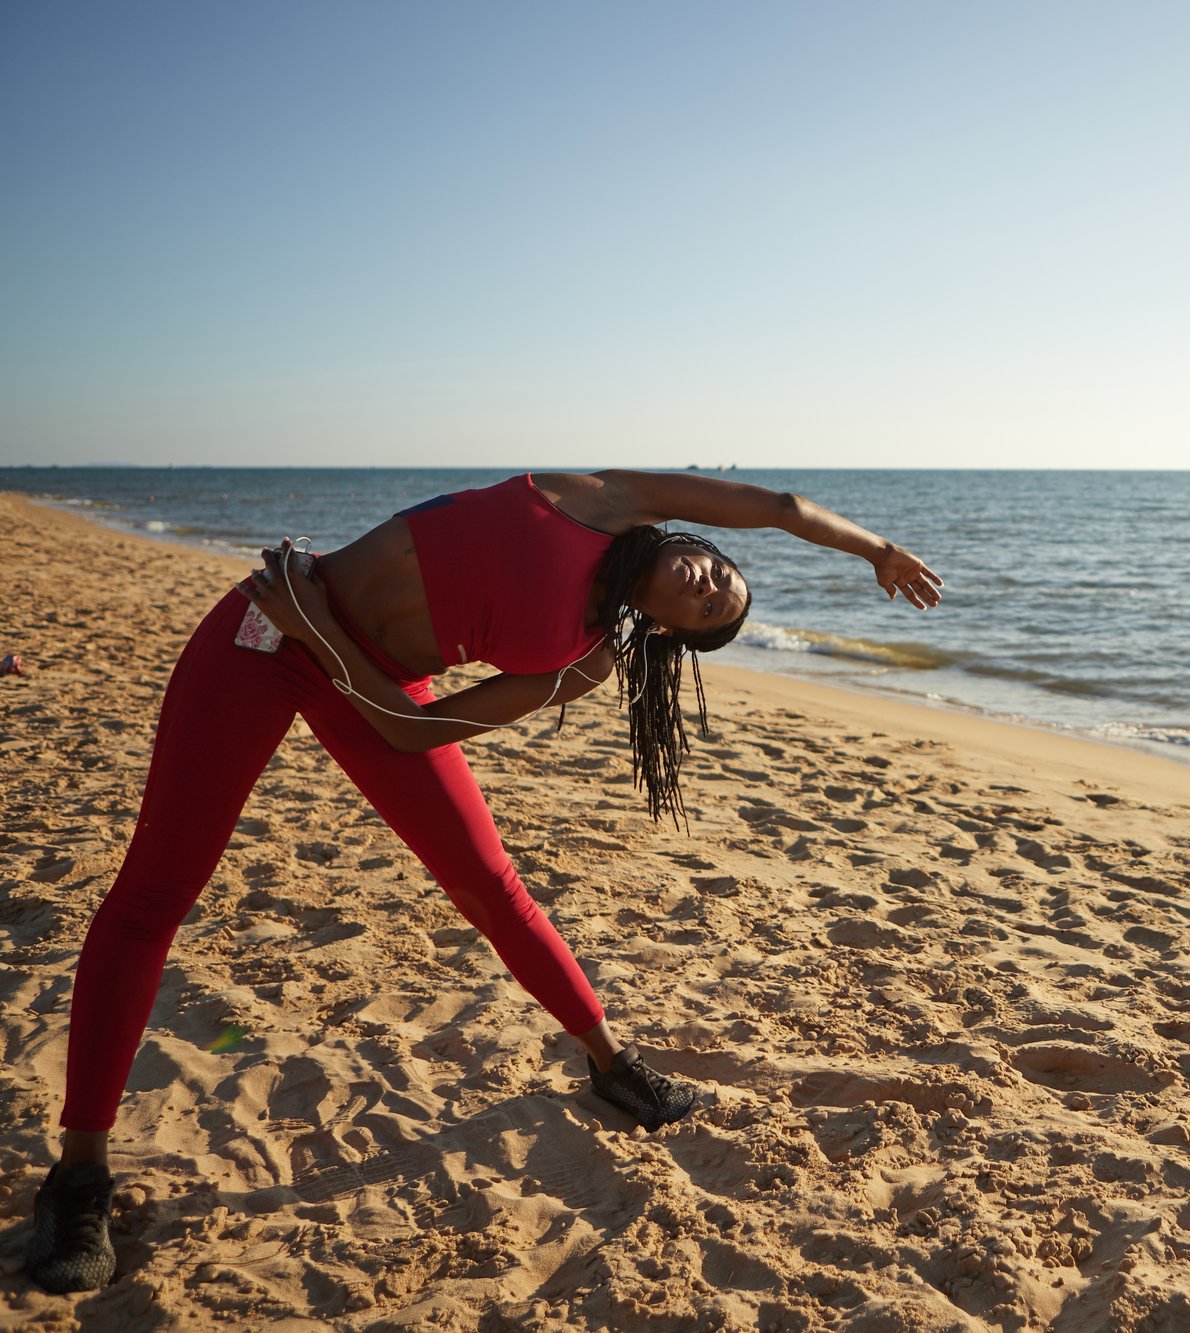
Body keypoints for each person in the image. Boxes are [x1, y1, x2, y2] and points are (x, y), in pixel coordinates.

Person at [26, 470, 943, 1293]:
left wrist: (324, 640)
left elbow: (412, 732)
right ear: (694, 540)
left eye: (712, 615)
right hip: (260, 632)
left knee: (490, 883)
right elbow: (779, 508)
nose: (710, 590)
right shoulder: (602, 496)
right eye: (718, 574)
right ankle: (80, 1174)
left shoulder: (588, 658)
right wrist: (878, 549)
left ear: (669, 633)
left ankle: (615, 1066)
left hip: (366, 680)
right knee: (153, 897)